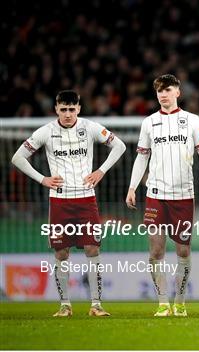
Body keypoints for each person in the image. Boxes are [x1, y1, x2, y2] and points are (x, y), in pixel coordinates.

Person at [126, 74, 199, 317]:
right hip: (155, 193)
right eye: (159, 91)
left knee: (183, 251)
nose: (163, 94)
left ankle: (180, 301)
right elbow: (142, 157)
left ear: (178, 92)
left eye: (167, 90)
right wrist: (133, 187)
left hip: (184, 195)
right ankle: (163, 303)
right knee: (156, 250)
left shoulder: (192, 121)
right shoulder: (149, 123)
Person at [11, 90, 126, 317]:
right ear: (56, 109)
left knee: (93, 249)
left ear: (79, 109)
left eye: (71, 109)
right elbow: (17, 158)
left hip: (86, 199)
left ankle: (96, 305)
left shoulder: (90, 127)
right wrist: (43, 179)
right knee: (61, 253)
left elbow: (119, 146)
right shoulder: (45, 132)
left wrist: (101, 171)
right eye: (63, 109)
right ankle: (65, 305)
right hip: (60, 201)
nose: (67, 114)